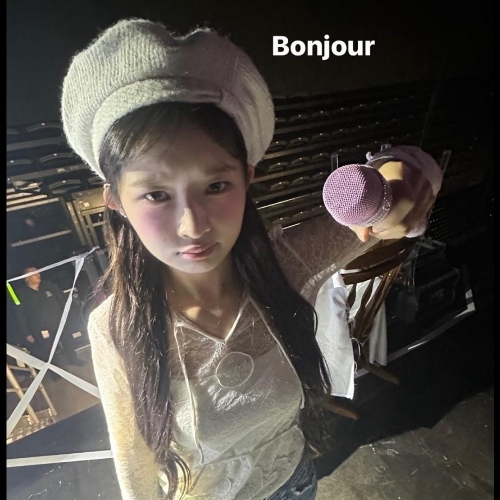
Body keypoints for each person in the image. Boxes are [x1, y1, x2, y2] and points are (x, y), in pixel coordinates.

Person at [60, 19, 442, 500]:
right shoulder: (117, 326)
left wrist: (396, 179)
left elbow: (402, 188)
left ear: (247, 177)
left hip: (294, 483)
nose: (192, 226)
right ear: (116, 200)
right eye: (156, 194)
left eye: (216, 185)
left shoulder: (283, 268)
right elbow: (133, 457)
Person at [14, 267, 87, 367]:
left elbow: (63, 300)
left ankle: (73, 360)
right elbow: (21, 314)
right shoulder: (21, 294)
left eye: (38, 273)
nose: (38, 275)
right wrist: (26, 332)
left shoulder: (49, 286)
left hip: (59, 322)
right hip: (41, 328)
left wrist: (70, 317)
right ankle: (54, 369)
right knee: (48, 350)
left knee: (68, 342)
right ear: (26, 278)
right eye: (34, 273)